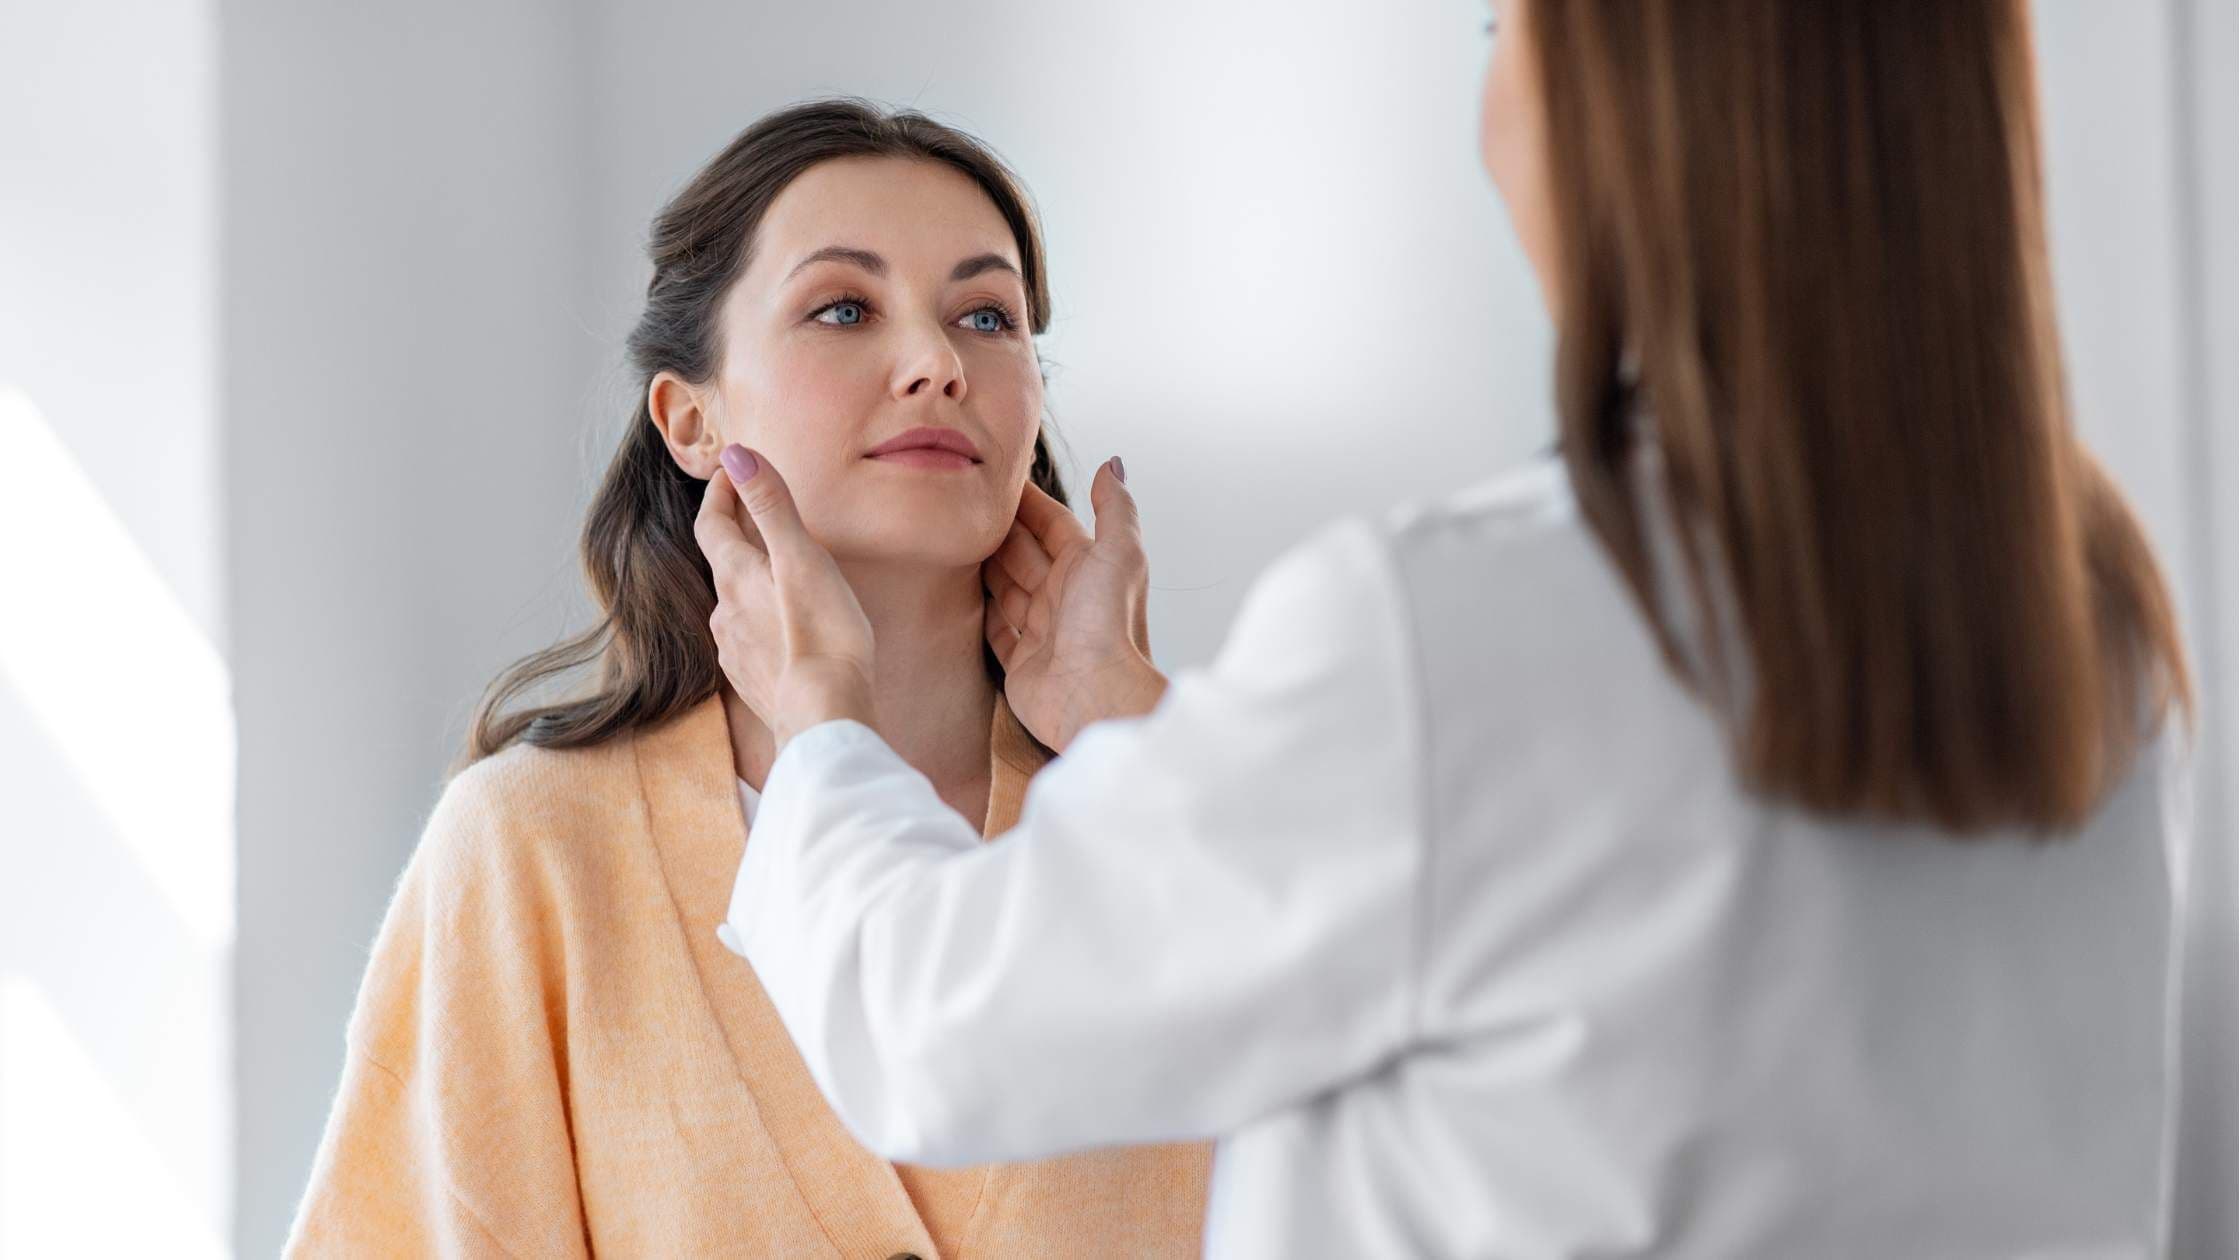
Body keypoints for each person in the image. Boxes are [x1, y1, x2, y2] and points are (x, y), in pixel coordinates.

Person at [700, 2, 2196, 1256]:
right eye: (840, 311)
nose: (1490, 113)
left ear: (1625, 107)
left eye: (1505, 28)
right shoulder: (2088, 606)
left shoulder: (1461, 632)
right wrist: (1135, 722)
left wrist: (823, 725)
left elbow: (931, 1027)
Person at [285, 99, 1210, 1258]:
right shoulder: (536, 850)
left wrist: (1149, 751)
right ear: (688, 419)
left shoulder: (1170, 827)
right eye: (842, 308)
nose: (934, 364)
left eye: (986, 315)